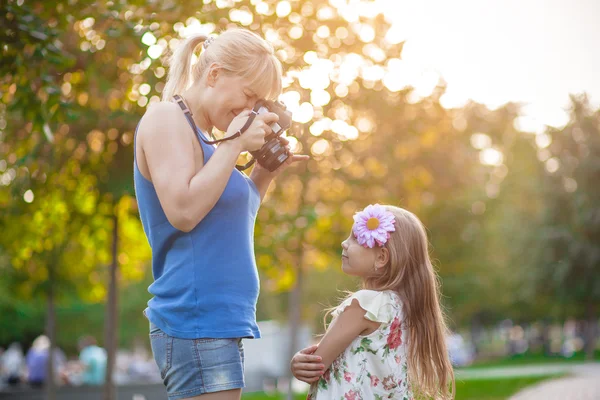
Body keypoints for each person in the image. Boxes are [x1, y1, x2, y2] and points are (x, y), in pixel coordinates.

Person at [134, 27, 308, 400]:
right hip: (195, 320)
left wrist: (264, 172)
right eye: (249, 96)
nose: (250, 111)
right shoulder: (166, 118)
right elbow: (183, 211)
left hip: (219, 321)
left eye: (259, 103)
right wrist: (235, 144)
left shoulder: (214, 141)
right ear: (213, 74)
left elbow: (226, 221)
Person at [290, 204, 455, 399]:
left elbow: (317, 364)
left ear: (382, 257)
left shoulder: (365, 304)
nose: (344, 243)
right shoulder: (402, 306)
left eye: (356, 238)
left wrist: (297, 363)